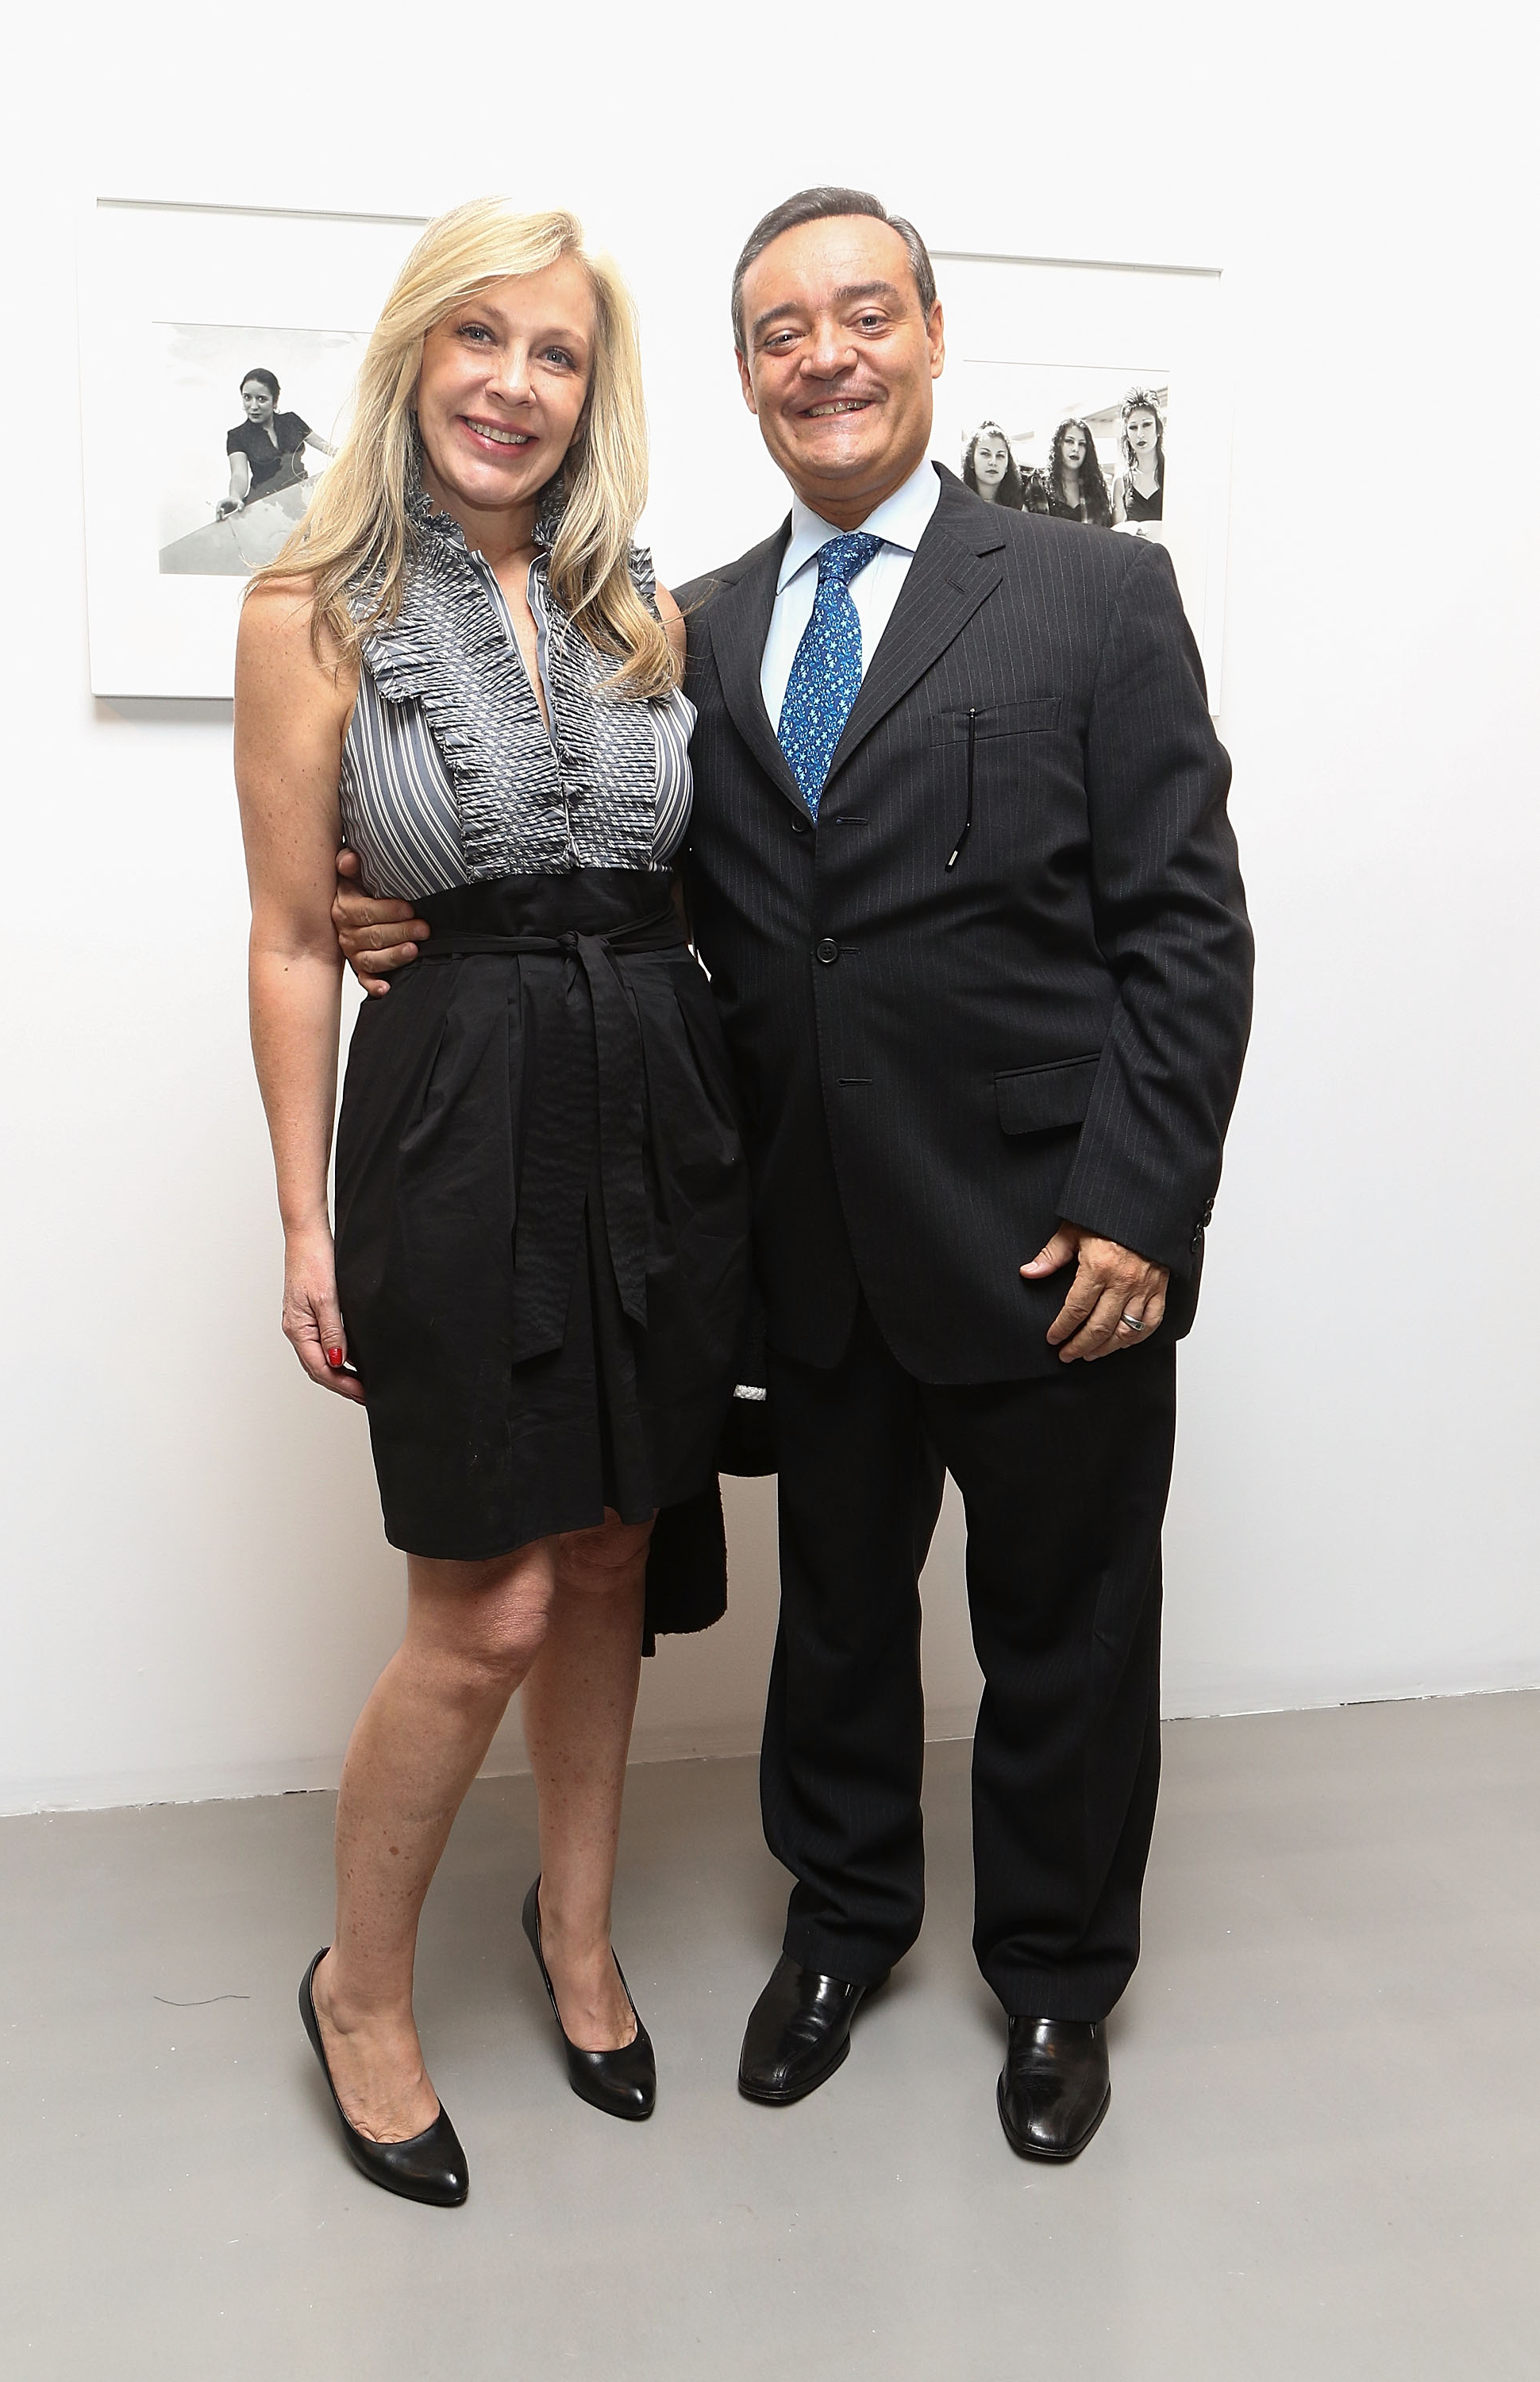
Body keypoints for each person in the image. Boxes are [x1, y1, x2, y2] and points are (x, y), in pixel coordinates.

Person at [333, 185, 1253, 2164]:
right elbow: (607, 876)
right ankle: (837, 1931)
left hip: (1046, 1246)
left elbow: (1184, 931)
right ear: (741, 374)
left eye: (859, 315)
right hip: (795, 1251)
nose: (821, 355)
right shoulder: (688, 626)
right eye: (776, 329)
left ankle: (1052, 1982)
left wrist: (1137, 1199)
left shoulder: (1091, 598)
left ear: (929, 333)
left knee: (1062, 1635)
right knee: (830, 1625)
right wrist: (365, 897)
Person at [236, 198, 749, 2207]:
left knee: (612, 1551)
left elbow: (688, 887)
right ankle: (360, 1988)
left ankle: (576, 1933)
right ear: (412, 353)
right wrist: (299, 1217)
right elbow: (293, 938)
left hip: (654, 1099)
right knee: (486, 1599)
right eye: (481, 339)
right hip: (453, 1113)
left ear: (588, 395)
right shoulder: (311, 609)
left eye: (555, 355)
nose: (513, 385)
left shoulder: (644, 611)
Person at [218, 368, 333, 516]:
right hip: (265, 507)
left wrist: (355, 455)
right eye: (247, 398)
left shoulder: (292, 420)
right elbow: (239, 475)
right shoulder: (237, 436)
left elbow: (326, 447)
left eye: (261, 399)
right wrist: (235, 496)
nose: (253, 406)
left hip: (302, 497)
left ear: (275, 401)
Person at [1024, 415, 1114, 526]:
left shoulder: (1095, 488)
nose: (1076, 448)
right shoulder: (1038, 484)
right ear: (1058, 445)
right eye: (1069, 441)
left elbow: (1106, 533)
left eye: (1082, 444)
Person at [1111, 386, 1165, 523]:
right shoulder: (1120, 483)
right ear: (1127, 435)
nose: (1140, 434)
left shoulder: (1174, 477)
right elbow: (1118, 535)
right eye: (1133, 427)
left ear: (1158, 429)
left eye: (1147, 425)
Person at [961, 421, 1026, 507]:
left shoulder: (1020, 507)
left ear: (1007, 465)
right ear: (971, 461)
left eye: (1000, 456)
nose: (993, 462)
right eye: (985, 454)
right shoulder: (958, 502)